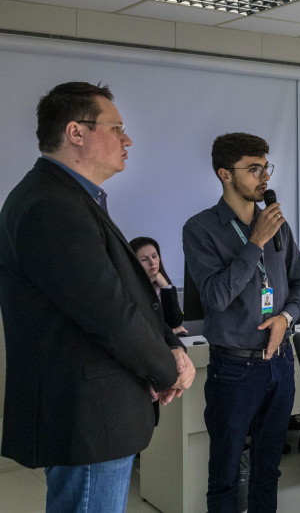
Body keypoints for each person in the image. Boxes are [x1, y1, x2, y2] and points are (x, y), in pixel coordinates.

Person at [0, 81, 194, 512]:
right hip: (87, 418)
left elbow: (130, 296)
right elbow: (110, 314)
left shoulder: (71, 199)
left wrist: (173, 346)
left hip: (96, 414)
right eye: (116, 128)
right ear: (76, 132)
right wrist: (168, 369)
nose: (127, 139)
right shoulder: (50, 205)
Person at [183, 132, 300, 513]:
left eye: (265, 168)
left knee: (269, 468)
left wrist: (286, 318)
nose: (264, 177)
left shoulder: (277, 223)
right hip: (234, 366)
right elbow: (214, 297)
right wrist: (255, 243)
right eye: (254, 169)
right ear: (225, 174)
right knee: (225, 473)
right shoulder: (201, 228)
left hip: (280, 361)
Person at [130, 236, 188, 335]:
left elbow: (175, 322)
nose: (152, 263)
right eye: (144, 259)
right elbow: (139, 330)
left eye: (154, 256)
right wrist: (172, 332)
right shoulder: (129, 289)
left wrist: (166, 286)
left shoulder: (159, 283)